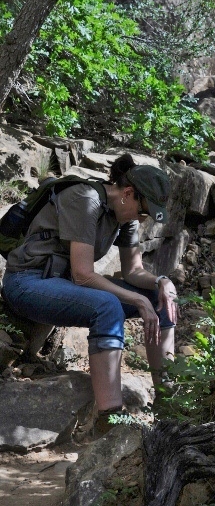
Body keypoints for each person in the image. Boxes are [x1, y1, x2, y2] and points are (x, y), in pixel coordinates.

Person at [2, 153, 178, 428]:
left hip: (64, 284)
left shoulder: (125, 216)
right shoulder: (84, 199)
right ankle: (110, 419)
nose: (143, 220)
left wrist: (161, 282)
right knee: (107, 305)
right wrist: (135, 299)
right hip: (27, 282)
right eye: (143, 211)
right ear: (128, 193)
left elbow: (133, 271)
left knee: (160, 299)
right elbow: (84, 275)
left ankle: (170, 406)